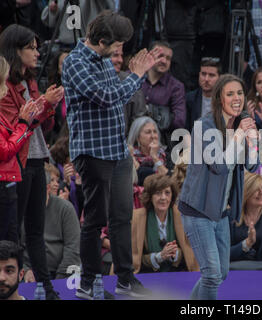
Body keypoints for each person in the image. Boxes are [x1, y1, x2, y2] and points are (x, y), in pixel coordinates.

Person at [61, 10, 161, 300]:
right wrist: (138, 75)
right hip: (92, 152)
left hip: (117, 151)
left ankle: (125, 279)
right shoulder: (75, 63)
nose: (120, 50)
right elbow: (105, 98)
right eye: (117, 44)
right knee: (95, 219)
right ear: (103, 40)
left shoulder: (104, 60)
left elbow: (117, 96)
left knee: (121, 217)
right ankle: (88, 283)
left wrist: (131, 78)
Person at [178, 74, 259, 300]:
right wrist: (240, 134)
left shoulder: (240, 123)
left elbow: (252, 164)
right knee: (212, 274)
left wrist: (252, 139)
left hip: (221, 213)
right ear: (219, 99)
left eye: (240, 93)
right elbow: (220, 166)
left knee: (220, 273)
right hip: (198, 210)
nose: (237, 98)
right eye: (230, 93)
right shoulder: (204, 126)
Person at [0, 24, 65, 300]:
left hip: (39, 159)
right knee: (13, 233)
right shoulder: (5, 87)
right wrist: (43, 105)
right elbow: (18, 126)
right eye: (31, 47)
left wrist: (48, 104)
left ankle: (47, 289)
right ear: (16, 50)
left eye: (37, 48)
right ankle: (10, 289)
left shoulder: (31, 81)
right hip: (20, 165)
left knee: (36, 230)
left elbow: (45, 125)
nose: (37, 53)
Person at [0, 56, 42, 242]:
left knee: (11, 242)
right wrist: (24, 123)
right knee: (6, 242)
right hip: (3, 183)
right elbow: (6, 150)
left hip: (8, 181)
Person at [136, 174, 192, 272]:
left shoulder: (182, 216)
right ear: (150, 196)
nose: (163, 197)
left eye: (167, 193)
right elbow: (134, 259)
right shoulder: (137, 218)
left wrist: (175, 253)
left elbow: (191, 255)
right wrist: (159, 257)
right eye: (158, 193)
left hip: (178, 275)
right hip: (148, 277)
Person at [141, 41, 186, 147]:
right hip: (131, 140)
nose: (164, 61)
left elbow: (179, 120)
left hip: (160, 143)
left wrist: (151, 112)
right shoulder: (135, 77)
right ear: (149, 56)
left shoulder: (176, 87)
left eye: (168, 58)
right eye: (160, 56)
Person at [110, 45, 147, 137]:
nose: (120, 60)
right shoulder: (90, 80)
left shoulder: (129, 80)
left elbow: (139, 118)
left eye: (121, 56)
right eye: (115, 55)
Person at [127, 116, 169, 185]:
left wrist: (155, 157)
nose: (153, 136)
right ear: (137, 137)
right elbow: (140, 179)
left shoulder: (165, 155)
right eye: (148, 132)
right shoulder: (131, 156)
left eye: (155, 132)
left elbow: (169, 178)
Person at [185, 57, 221, 132]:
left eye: (211, 75)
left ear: (219, 78)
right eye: (203, 74)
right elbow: (185, 129)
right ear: (199, 75)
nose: (206, 79)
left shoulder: (224, 100)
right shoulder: (190, 99)